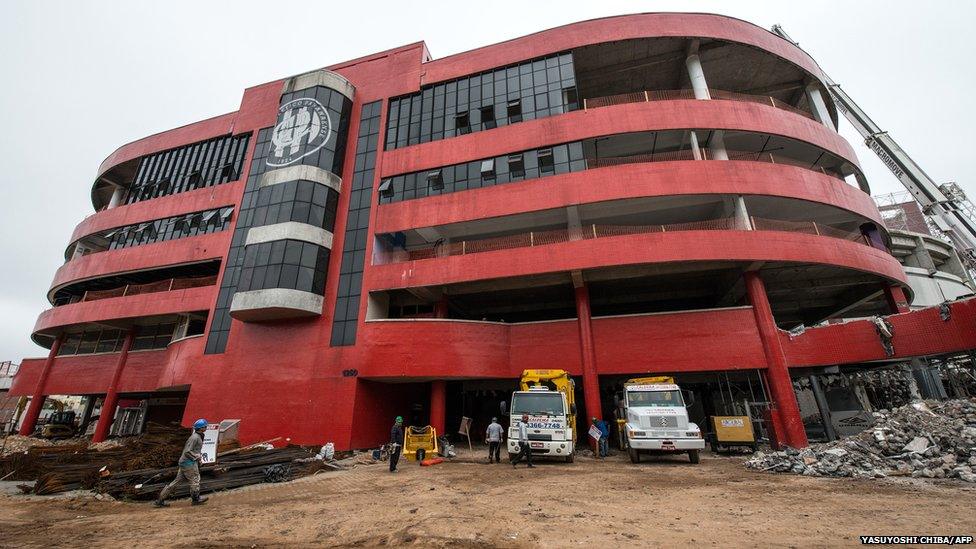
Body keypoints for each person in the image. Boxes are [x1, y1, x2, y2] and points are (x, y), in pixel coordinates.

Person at [155, 418, 209, 507]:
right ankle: (196, 499)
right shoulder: (195, 438)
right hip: (189, 462)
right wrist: (197, 457)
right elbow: (188, 451)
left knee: (176, 482)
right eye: (205, 426)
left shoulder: (197, 436)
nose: (206, 427)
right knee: (195, 479)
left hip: (185, 462)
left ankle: (160, 500)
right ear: (201, 428)